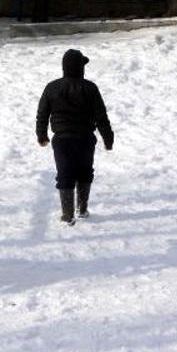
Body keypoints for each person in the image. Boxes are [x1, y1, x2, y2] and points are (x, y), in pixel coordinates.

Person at [36, 49, 113, 225]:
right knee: (85, 171)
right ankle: (82, 208)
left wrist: (42, 135)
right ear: (80, 67)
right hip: (85, 139)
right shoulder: (90, 88)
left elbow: (42, 114)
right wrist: (108, 138)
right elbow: (101, 116)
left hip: (61, 140)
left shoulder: (52, 87)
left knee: (65, 172)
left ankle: (67, 214)